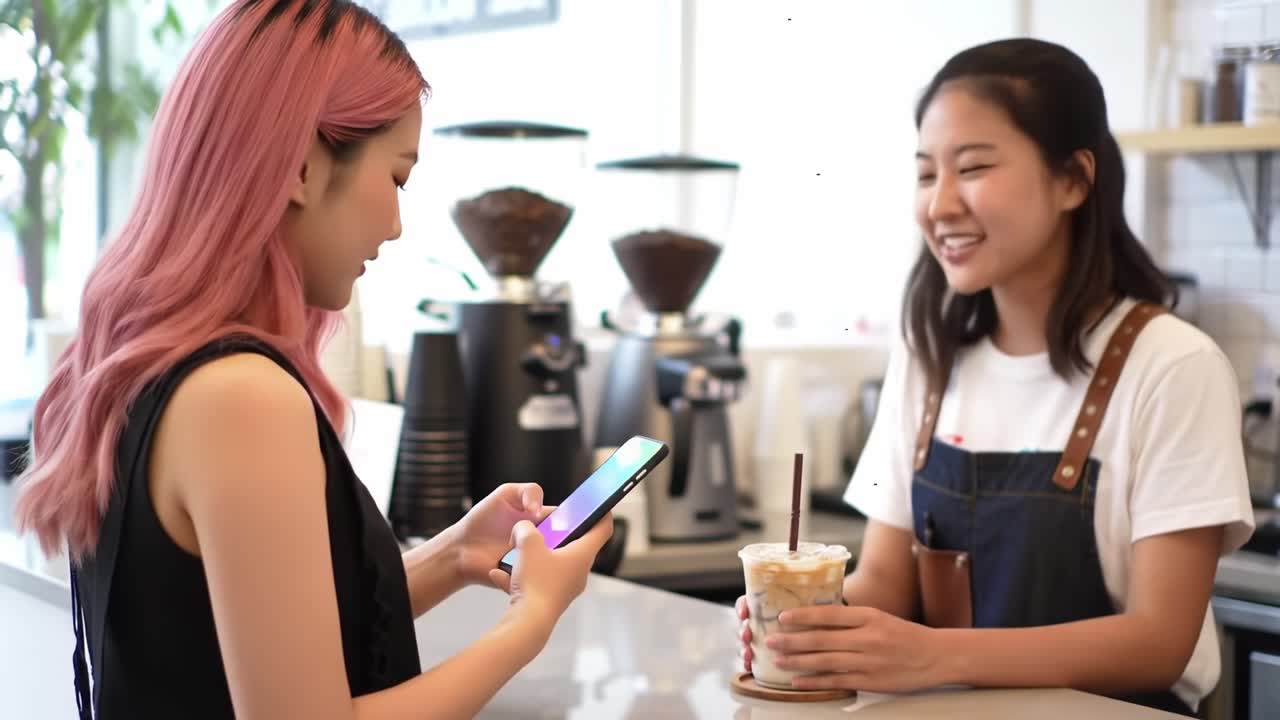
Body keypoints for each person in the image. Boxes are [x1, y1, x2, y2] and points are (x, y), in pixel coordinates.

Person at [14, 2, 611, 718]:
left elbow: (246, 636)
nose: (395, 226)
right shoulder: (243, 397)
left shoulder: (152, 361)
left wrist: (454, 555)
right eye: (395, 177)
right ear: (301, 165)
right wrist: (532, 619)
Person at [736, 38, 1254, 717]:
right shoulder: (931, 357)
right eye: (926, 175)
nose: (940, 205)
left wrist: (932, 656)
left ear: (1072, 179)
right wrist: (807, 626)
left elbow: (1159, 642)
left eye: (973, 167)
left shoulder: (1172, 367)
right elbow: (887, 583)